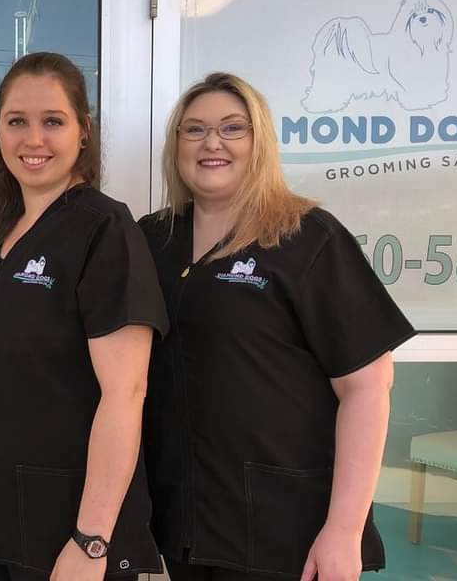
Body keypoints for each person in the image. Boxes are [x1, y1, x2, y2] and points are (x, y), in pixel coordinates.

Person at [138, 73, 416, 581]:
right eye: (194, 129)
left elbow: (368, 389)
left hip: (287, 529)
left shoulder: (307, 237)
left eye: (232, 128)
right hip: (185, 521)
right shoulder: (153, 240)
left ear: (259, 142)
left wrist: (344, 531)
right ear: (176, 144)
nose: (212, 142)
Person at [0, 52, 169, 581]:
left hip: (66, 535)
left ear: (83, 132)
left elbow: (125, 394)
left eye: (52, 121)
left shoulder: (104, 229)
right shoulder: (1, 235)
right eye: (17, 121)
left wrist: (91, 541)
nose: (32, 139)